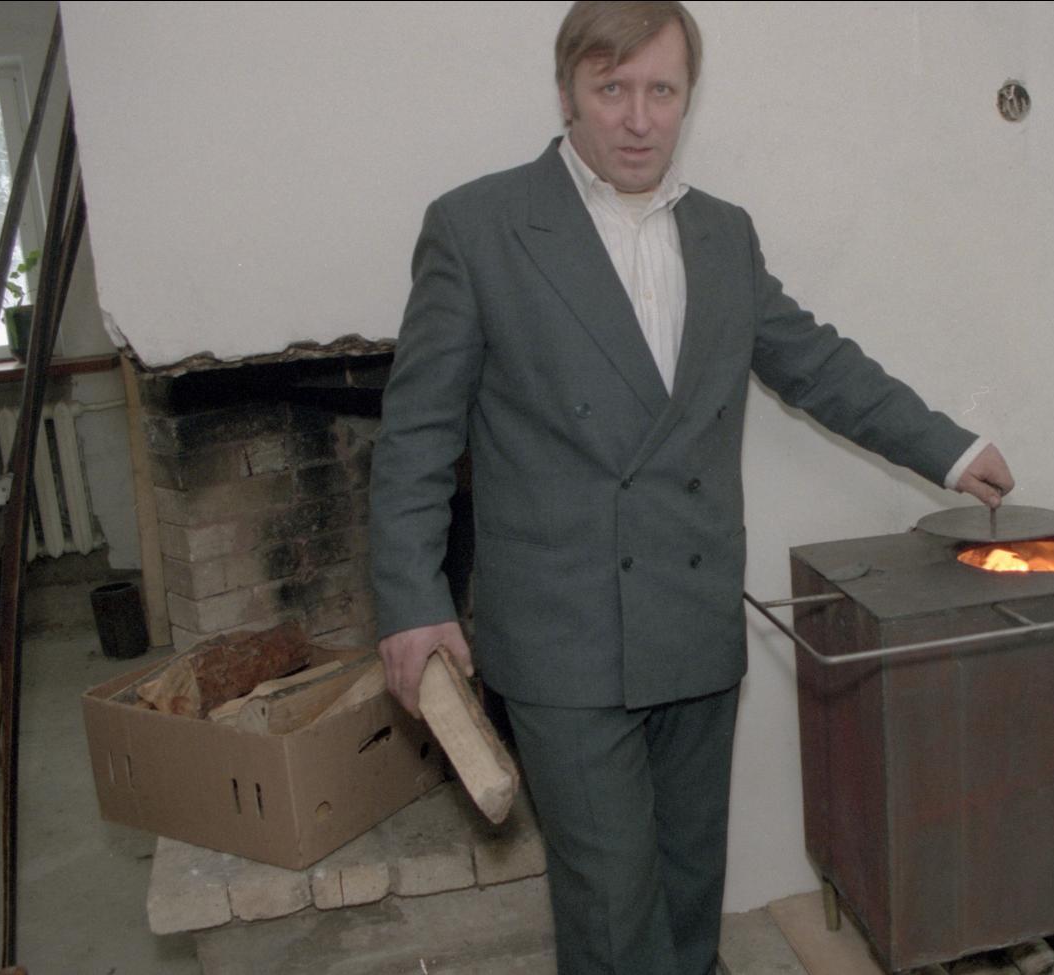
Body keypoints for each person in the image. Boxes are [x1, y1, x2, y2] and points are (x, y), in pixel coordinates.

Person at [369, 3, 1015, 972]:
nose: (638, 119)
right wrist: (413, 601)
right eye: (612, 89)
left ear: (686, 98)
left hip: (692, 621)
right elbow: (416, 436)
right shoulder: (477, 229)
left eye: (661, 91)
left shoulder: (723, 235)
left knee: (686, 893)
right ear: (568, 92)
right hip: (563, 641)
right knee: (612, 916)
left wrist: (952, 451)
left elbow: (817, 364)